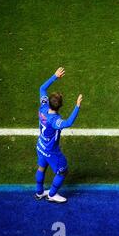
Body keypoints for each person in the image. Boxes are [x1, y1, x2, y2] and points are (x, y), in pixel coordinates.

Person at [34, 67, 83, 203]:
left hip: (40, 146)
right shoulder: (55, 121)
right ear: (59, 107)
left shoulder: (43, 107)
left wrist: (54, 76)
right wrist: (77, 106)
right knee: (62, 171)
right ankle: (52, 194)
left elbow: (42, 88)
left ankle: (39, 193)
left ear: (48, 102)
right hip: (51, 151)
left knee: (41, 168)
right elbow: (68, 122)